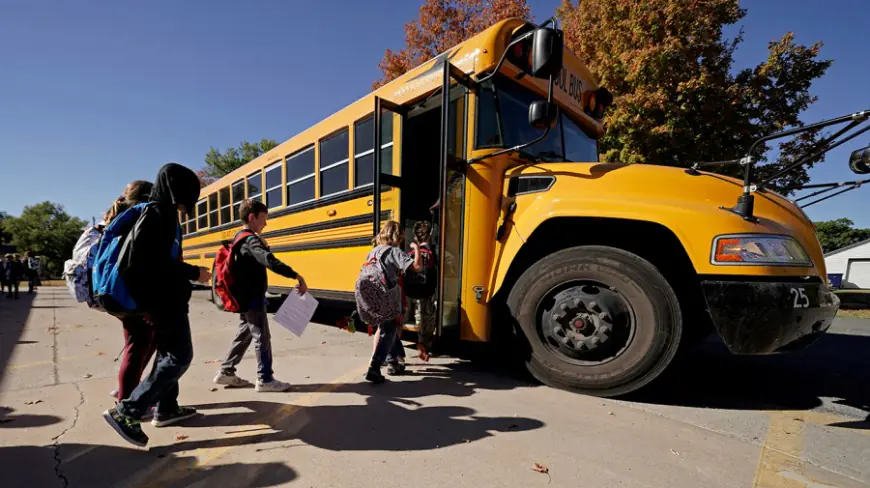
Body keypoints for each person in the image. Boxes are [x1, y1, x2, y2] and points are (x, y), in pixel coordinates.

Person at [103, 163, 210, 447]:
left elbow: (159, 261)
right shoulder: (157, 215)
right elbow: (141, 264)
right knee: (179, 357)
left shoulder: (166, 215)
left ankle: (167, 409)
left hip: (169, 300)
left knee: (167, 356)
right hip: (164, 302)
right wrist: (193, 272)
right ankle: (127, 411)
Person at [213, 199, 308, 392]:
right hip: (252, 298)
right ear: (252, 217)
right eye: (263, 218)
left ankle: (226, 372)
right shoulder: (250, 239)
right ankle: (265, 378)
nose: (265, 223)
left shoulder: (239, 237)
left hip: (244, 297)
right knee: (262, 337)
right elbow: (268, 261)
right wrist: (295, 275)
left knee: (245, 334)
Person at [102, 181, 157, 405]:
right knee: (137, 350)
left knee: (141, 346)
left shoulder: (121, 221)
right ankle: (127, 404)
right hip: (135, 296)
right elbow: (142, 265)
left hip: (118, 293)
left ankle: (127, 390)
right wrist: (149, 303)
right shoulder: (140, 221)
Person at [359, 220, 422, 384]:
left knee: (387, 329)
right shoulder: (394, 251)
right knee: (388, 331)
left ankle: (394, 361)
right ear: (398, 235)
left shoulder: (373, 251)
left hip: (369, 295)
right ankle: (375, 367)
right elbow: (416, 267)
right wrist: (416, 249)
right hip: (385, 296)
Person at [405, 221, 438, 362]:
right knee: (427, 320)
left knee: (411, 319)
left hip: (410, 292)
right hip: (426, 292)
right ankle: (424, 344)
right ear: (430, 234)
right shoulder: (433, 252)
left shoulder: (410, 252)